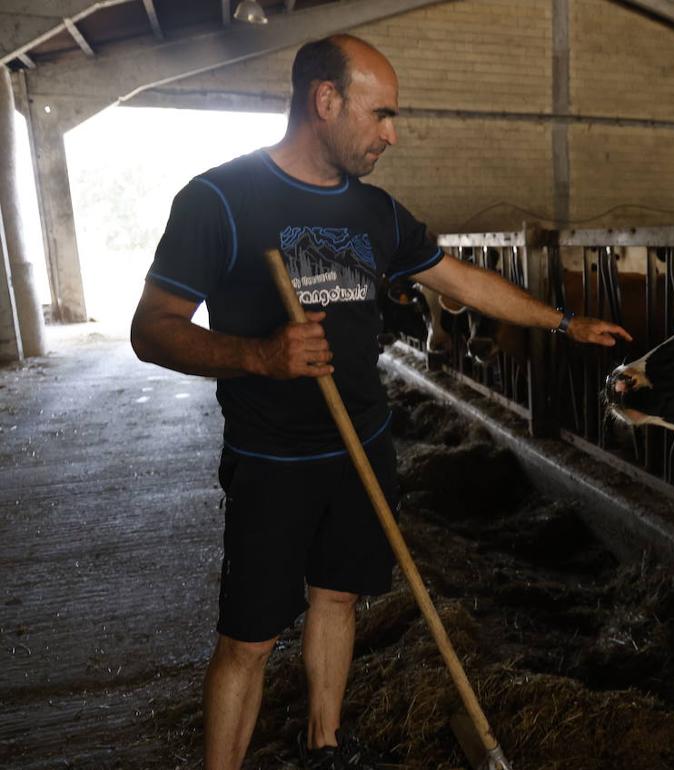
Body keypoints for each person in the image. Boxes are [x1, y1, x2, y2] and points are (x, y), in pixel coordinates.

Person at [130, 34, 629, 770]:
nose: (392, 135)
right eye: (381, 114)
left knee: (339, 600)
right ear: (324, 101)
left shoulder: (376, 213)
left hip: (362, 446)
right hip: (273, 461)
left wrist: (561, 321)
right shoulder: (219, 200)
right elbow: (152, 330)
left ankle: (325, 747)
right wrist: (257, 355)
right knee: (249, 640)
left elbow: (458, 281)